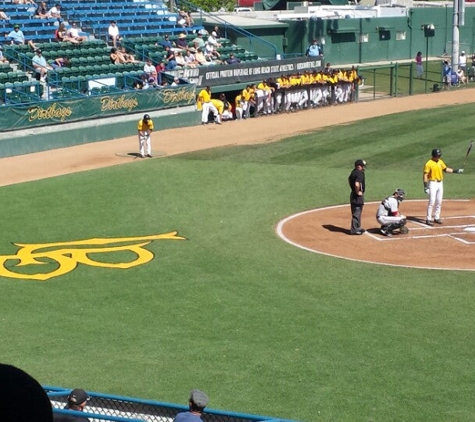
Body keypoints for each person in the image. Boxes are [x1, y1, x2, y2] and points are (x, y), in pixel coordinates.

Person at [423, 148, 463, 226]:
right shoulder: (428, 163)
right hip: (433, 183)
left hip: (440, 183)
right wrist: (425, 187)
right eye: (437, 156)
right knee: (431, 202)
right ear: (434, 155)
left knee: (439, 201)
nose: (438, 157)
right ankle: (428, 219)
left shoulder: (440, 162)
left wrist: (456, 171)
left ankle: (437, 217)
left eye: (439, 155)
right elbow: (425, 175)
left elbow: (445, 169)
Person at [348, 159, 366, 235]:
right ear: (359, 166)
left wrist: (353, 190)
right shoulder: (359, 173)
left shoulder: (353, 172)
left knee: (357, 212)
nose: (364, 167)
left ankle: (357, 227)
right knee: (357, 212)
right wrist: (357, 191)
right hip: (357, 196)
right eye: (363, 166)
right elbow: (356, 184)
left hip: (353, 195)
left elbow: (349, 179)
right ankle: (354, 229)